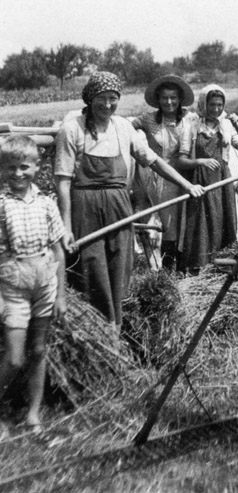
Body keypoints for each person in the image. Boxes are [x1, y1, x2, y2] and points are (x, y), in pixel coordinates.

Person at [54, 72, 203, 342]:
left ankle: (114, 329)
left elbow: (154, 161)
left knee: (119, 265)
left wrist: (186, 184)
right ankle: (90, 333)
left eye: (113, 98)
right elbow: (63, 181)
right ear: (90, 98)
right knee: (92, 268)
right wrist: (66, 227)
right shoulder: (72, 129)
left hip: (118, 206)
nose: (107, 105)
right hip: (85, 207)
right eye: (102, 98)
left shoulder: (123, 127)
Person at [0, 135, 67, 433]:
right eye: (10, 167)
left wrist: (60, 296)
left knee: (39, 350)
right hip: (13, 286)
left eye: (24, 167)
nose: (18, 174)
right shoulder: (2, 205)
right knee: (15, 358)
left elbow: (58, 252)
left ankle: (33, 413)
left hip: (44, 284)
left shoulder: (46, 203)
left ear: (37, 167)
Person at [178, 84, 238, 272]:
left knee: (222, 219)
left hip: (222, 179)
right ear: (204, 104)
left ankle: (222, 265)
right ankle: (199, 265)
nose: (216, 109)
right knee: (201, 222)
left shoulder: (227, 125)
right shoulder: (192, 126)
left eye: (220, 105)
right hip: (200, 179)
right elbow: (181, 160)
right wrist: (200, 161)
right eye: (212, 105)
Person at [132, 74, 196, 270]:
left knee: (183, 219)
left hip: (184, 173)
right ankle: (166, 268)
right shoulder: (148, 119)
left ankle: (182, 264)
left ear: (180, 99)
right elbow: (125, 127)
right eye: (164, 98)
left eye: (173, 97)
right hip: (157, 175)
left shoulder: (190, 118)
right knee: (167, 222)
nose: (169, 102)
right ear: (158, 100)